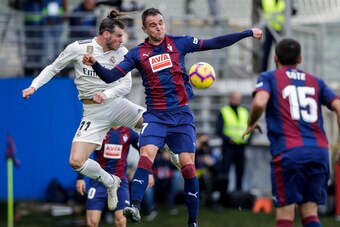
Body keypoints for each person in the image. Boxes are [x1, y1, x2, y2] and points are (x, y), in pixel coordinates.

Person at [82, 7, 263, 227]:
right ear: (144, 29)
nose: (158, 27)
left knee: (188, 166)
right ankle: (135, 207)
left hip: (181, 117)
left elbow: (215, 42)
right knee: (146, 156)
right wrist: (95, 64)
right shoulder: (138, 53)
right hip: (156, 117)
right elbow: (111, 76)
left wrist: (246, 33)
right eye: (153, 25)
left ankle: (192, 221)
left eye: (160, 22)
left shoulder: (180, 43)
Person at [22, 9, 145, 212]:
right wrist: (34, 86)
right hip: (92, 111)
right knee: (76, 161)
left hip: (116, 104)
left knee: (151, 121)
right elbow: (54, 67)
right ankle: (111, 181)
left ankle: (174, 152)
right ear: (106, 34)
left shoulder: (122, 52)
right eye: (119, 36)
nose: (122, 40)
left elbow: (126, 86)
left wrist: (105, 95)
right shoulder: (78, 48)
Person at [243, 38, 340, 227]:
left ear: (275, 58)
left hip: (290, 153)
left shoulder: (269, 77)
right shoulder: (315, 81)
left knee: (286, 214)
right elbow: (338, 105)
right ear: (300, 59)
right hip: (319, 152)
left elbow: (260, 102)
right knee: (310, 212)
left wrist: (251, 122)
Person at [76, 126, 152, 227]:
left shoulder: (128, 132)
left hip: (120, 182)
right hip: (99, 181)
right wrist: (80, 178)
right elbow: (84, 152)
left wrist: (149, 172)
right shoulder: (100, 129)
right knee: (92, 222)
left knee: (121, 221)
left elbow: (144, 151)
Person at [216, 91, 250, 194]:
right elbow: (218, 130)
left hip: (241, 147)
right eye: (234, 97)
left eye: (238, 98)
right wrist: (228, 139)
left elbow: (250, 128)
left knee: (240, 172)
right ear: (230, 98)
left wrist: (248, 141)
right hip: (228, 146)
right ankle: (223, 195)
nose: (236, 100)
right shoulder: (224, 111)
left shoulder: (245, 111)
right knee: (225, 171)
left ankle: (238, 194)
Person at [259, 0, 297, 71]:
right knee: (266, 51)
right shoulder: (266, 1)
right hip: (269, 28)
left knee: (280, 52)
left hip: (279, 29)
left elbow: (292, 11)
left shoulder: (284, 2)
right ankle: (263, 71)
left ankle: (279, 70)